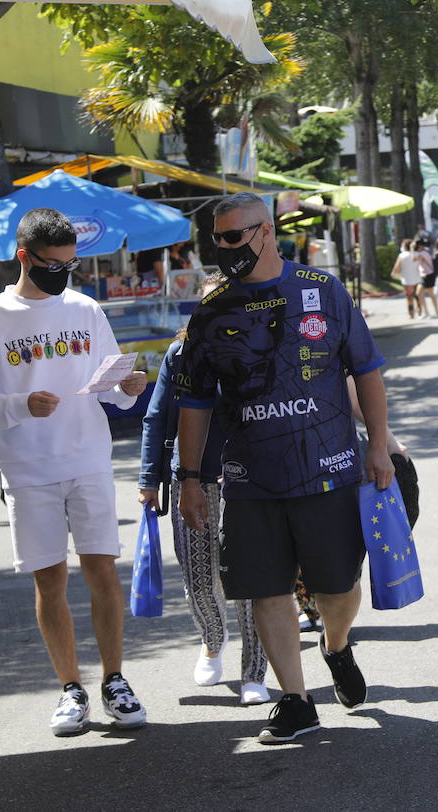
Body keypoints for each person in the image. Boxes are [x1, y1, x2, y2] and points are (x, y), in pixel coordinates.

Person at [175, 192, 393, 744]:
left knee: (338, 587)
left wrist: (380, 444)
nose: (223, 249)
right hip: (251, 478)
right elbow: (195, 402)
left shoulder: (322, 291)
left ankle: (336, 645)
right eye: (216, 240)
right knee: (266, 589)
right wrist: (190, 478)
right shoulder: (211, 310)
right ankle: (296, 702)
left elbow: (365, 369)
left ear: (265, 232)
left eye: (232, 238)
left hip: (328, 467)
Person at [0, 207, 150, 733]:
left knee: (103, 570)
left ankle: (114, 680)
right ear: (24, 256)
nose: (62, 272)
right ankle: (70, 688)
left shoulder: (85, 309)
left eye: (70, 263)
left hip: (87, 457)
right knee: (50, 580)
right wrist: (19, 405)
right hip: (28, 467)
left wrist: (127, 390)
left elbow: (109, 381)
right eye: (52, 263)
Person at [138, 273, 269, 706]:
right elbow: (157, 418)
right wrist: (147, 480)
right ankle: (213, 640)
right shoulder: (180, 353)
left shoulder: (259, 349)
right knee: (197, 575)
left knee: (250, 577)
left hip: (248, 478)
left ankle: (254, 670)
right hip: (190, 478)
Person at [390, 239, 425, 320]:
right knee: (418, 296)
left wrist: (393, 273)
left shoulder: (401, 255)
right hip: (417, 278)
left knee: (409, 298)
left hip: (406, 279)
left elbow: (397, 267)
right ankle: (420, 312)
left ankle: (411, 314)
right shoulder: (417, 254)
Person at [414, 239, 438, 318]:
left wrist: (412, 250)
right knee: (422, 293)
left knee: (426, 293)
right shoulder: (426, 252)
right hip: (427, 275)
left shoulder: (422, 253)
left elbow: (413, 259)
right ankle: (429, 312)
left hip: (427, 275)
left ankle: (433, 313)